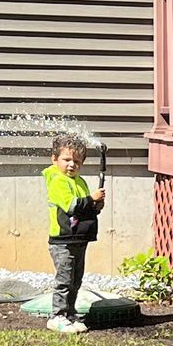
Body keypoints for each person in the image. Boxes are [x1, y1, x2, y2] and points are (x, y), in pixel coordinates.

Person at [42, 136, 104, 335]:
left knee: (76, 280)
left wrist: (95, 206)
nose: (72, 165)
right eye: (67, 160)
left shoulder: (80, 181)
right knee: (64, 279)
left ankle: (69, 313)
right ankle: (56, 315)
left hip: (78, 239)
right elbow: (71, 206)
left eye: (77, 161)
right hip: (63, 241)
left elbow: (84, 208)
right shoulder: (58, 181)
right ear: (55, 159)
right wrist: (90, 199)